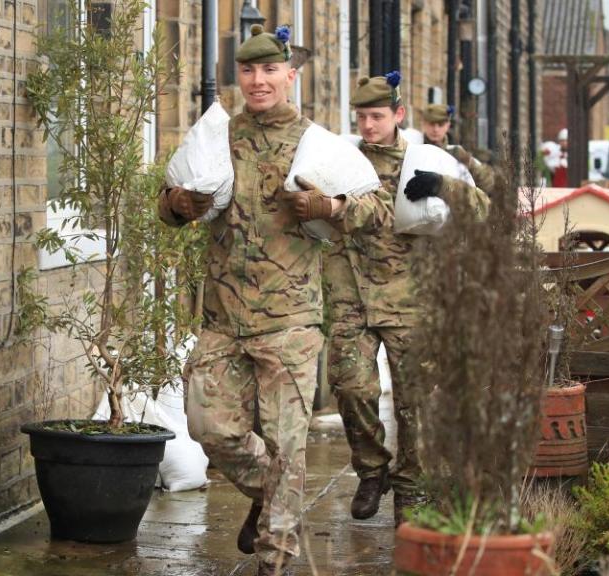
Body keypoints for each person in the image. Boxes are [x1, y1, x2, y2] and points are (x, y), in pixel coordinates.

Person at [159, 24, 391, 576]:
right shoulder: (218, 137)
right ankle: (268, 495)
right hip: (222, 316)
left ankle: (276, 558)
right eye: (248, 70)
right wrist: (177, 205)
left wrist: (330, 208)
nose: (258, 81)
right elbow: (165, 205)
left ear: (291, 75)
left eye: (269, 71)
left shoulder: (318, 144)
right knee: (209, 427)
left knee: (290, 447)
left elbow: (378, 212)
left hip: (290, 321)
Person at [327, 73, 490, 521]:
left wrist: (442, 187)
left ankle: (412, 490)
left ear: (398, 115)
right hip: (352, 296)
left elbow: (484, 210)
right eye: (361, 117)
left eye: (376, 116)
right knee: (350, 387)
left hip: (410, 299)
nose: (368, 125)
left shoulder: (426, 160)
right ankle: (371, 469)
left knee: (416, 403)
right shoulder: (346, 161)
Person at [420, 103, 495, 191]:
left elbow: (487, 181)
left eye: (440, 124)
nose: (436, 129)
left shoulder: (456, 153)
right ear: (424, 124)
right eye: (432, 124)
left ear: (447, 125)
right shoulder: (413, 150)